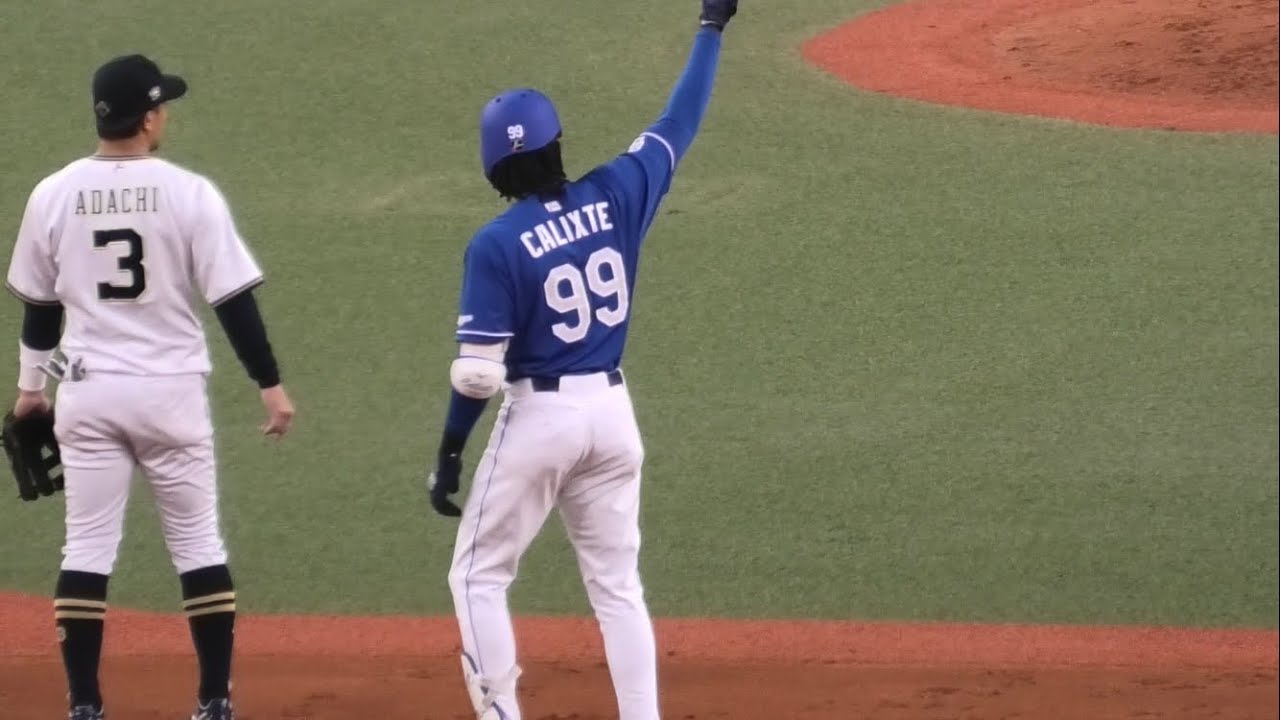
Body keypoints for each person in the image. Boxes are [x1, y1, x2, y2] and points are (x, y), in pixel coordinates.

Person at [425, 2, 740, 718]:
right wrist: (711, 27)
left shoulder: (497, 243)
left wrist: (450, 452)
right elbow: (678, 121)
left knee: (477, 576)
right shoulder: (618, 192)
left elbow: (478, 374)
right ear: (558, 143)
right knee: (618, 587)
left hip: (542, 419)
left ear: (493, 165)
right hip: (613, 416)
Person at [5, 54, 295, 720]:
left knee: (86, 549)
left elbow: (41, 309)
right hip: (171, 396)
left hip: (87, 393)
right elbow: (233, 303)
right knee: (198, 547)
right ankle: (214, 701)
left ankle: (84, 706)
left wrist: (30, 390)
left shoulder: (52, 194)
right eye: (163, 107)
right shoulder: (190, 193)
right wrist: (270, 385)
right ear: (149, 118)